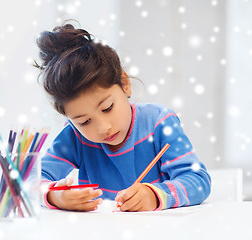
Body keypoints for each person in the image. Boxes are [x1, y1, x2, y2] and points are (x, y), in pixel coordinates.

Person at [33, 23, 211, 212]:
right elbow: (28, 180)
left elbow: (199, 181)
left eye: (107, 108)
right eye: (84, 122)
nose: (103, 127)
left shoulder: (159, 122)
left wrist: (155, 195)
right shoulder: (74, 137)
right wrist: (53, 194)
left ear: (125, 84)